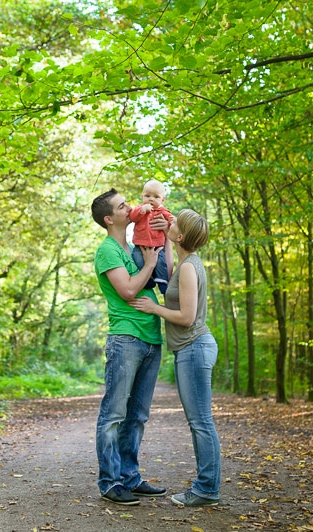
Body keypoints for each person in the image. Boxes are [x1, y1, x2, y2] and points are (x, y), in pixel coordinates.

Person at [130, 209, 221, 507]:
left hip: (195, 347)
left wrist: (154, 309)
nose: (170, 221)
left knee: (201, 422)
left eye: (175, 223)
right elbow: (167, 274)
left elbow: (186, 316)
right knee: (199, 421)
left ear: (181, 236)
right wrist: (164, 244)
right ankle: (207, 487)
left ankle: (207, 489)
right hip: (190, 348)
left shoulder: (190, 268)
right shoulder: (184, 263)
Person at [90, 188, 171, 506]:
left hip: (151, 337)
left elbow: (168, 273)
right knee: (114, 414)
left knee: (137, 416)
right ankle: (110, 482)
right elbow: (127, 291)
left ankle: (130, 477)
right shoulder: (108, 250)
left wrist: (163, 245)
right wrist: (150, 265)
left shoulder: (137, 244)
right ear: (110, 218)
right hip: (125, 338)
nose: (131, 207)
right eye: (123, 206)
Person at [129, 179, 172, 295]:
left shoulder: (162, 211)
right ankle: (148, 279)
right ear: (142, 196)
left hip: (158, 245)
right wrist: (142, 211)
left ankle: (162, 280)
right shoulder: (139, 209)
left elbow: (171, 219)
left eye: (156, 197)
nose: (151, 199)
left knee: (161, 263)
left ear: (162, 199)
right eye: (147, 196)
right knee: (137, 259)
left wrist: (171, 221)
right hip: (140, 244)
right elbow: (132, 217)